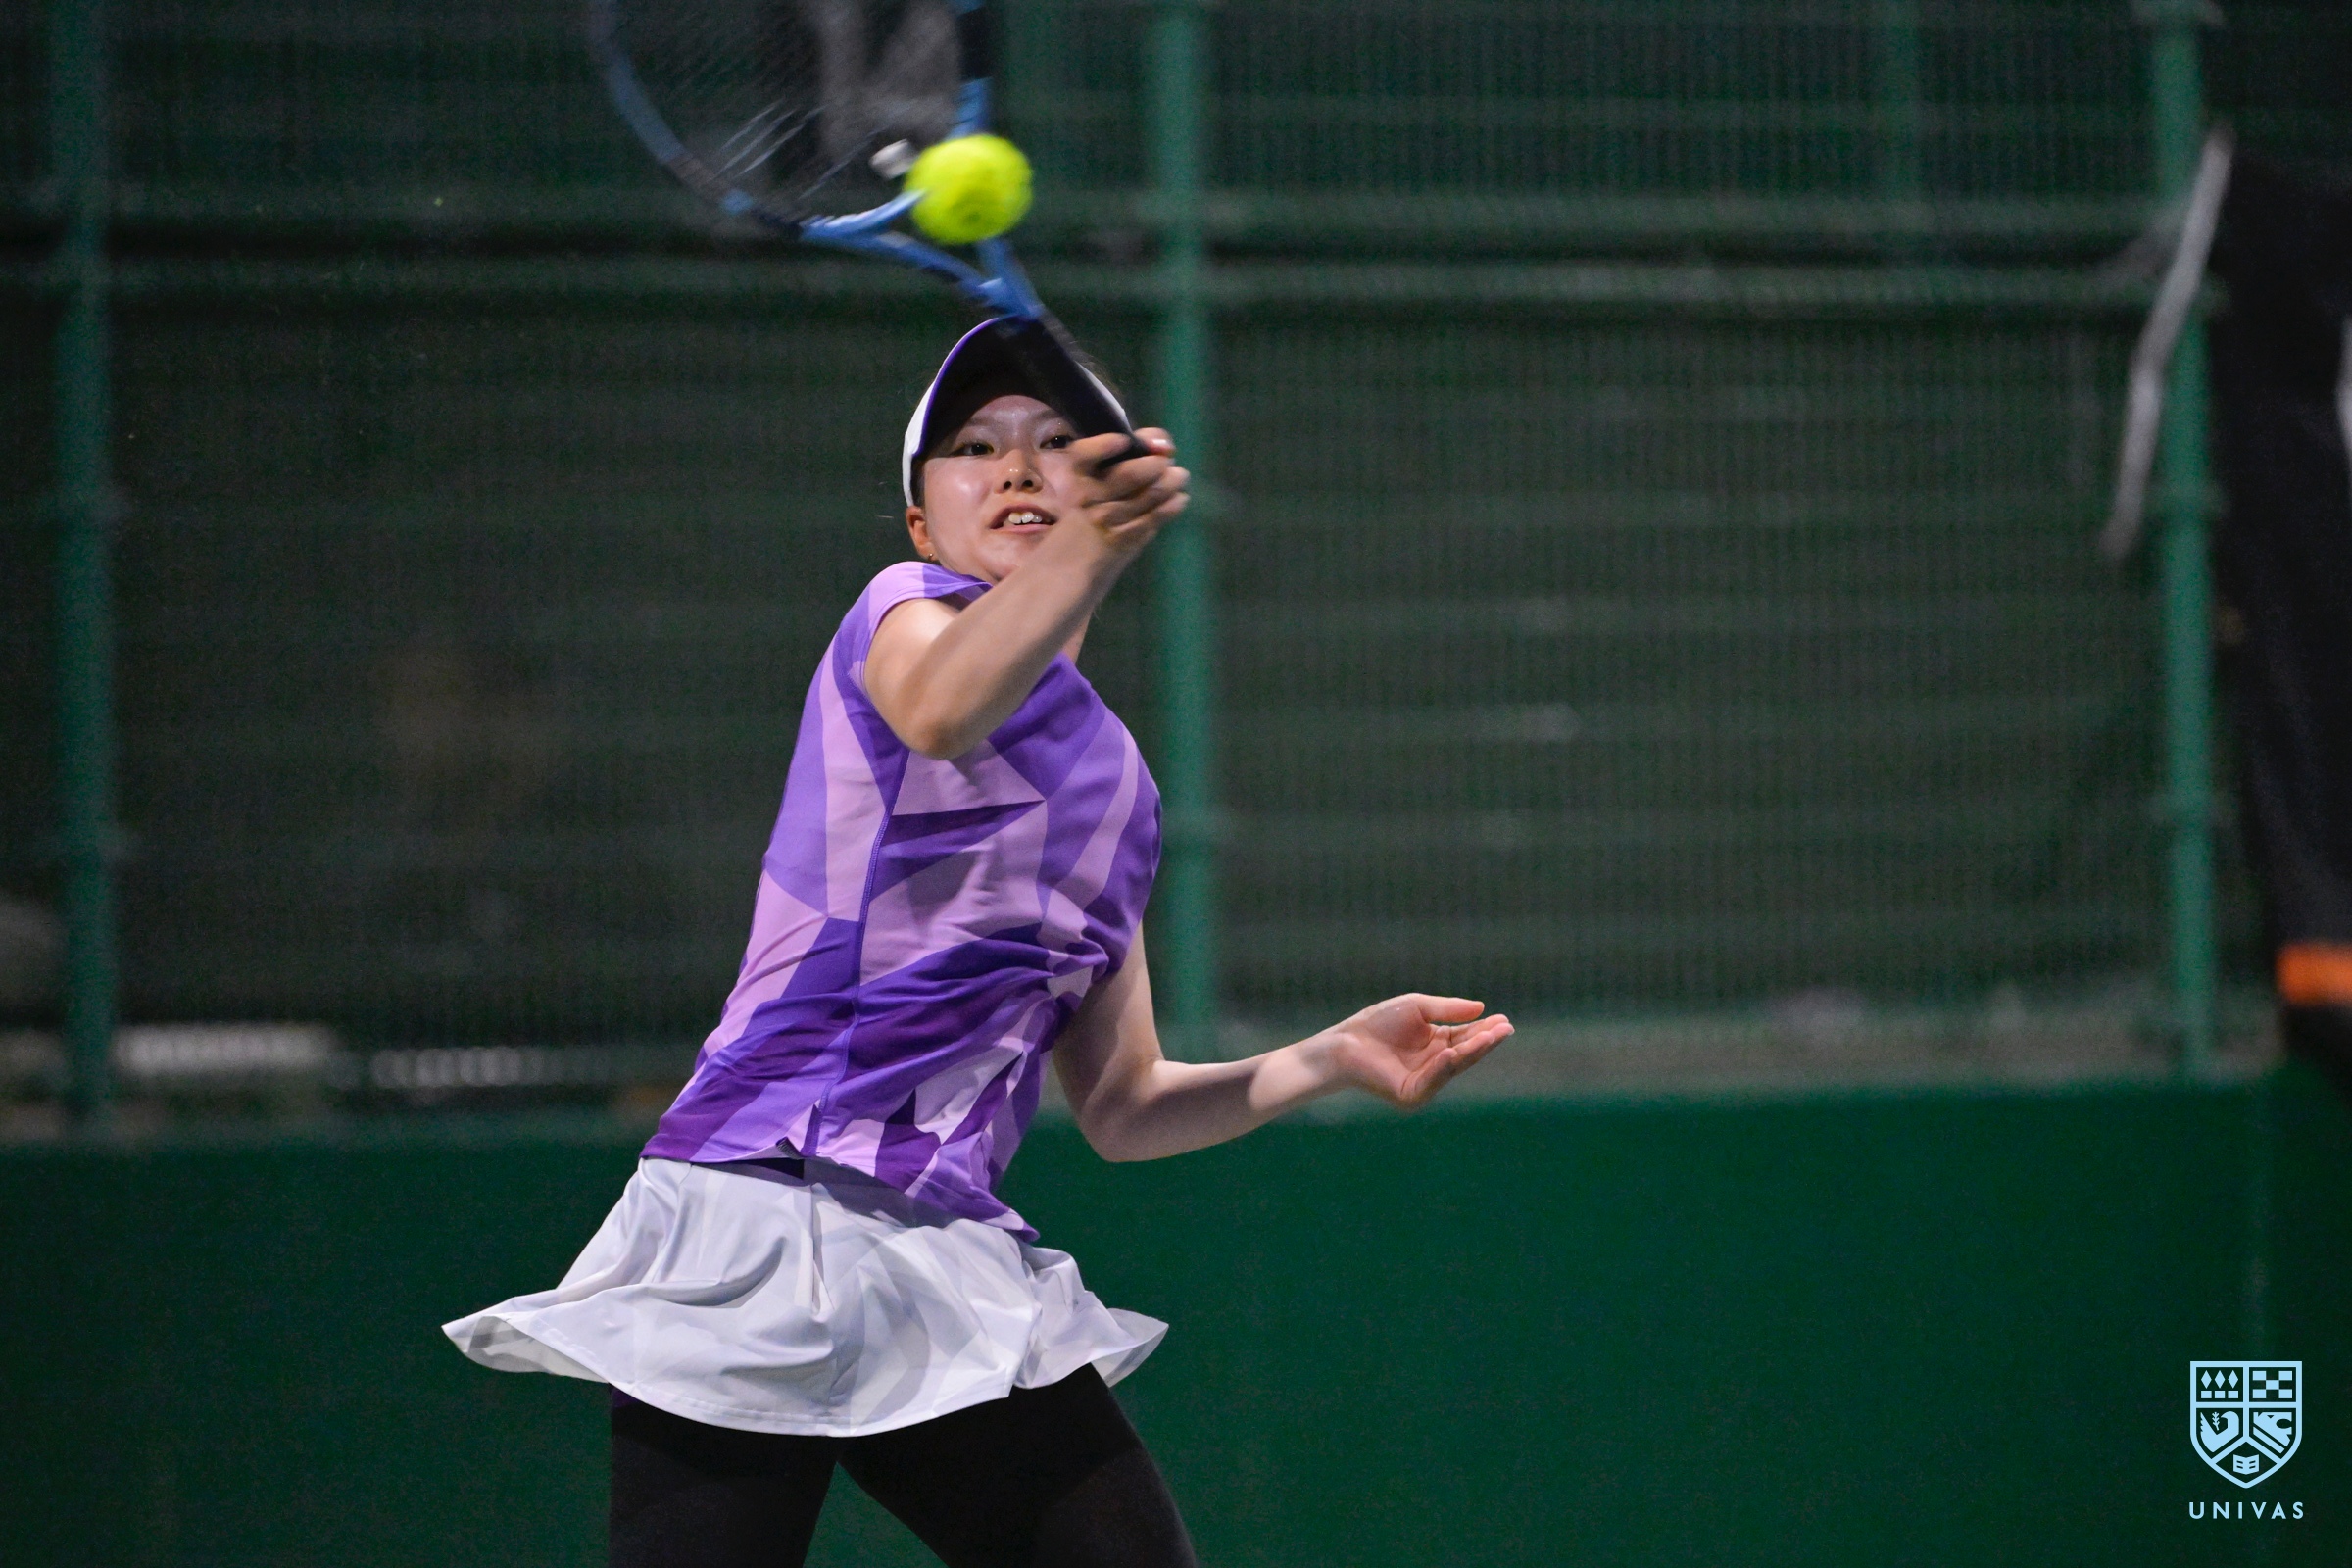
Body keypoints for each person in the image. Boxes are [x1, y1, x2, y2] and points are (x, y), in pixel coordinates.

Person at [444, 320, 1513, 1568]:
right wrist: (1086, 546)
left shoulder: (1120, 794)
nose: (1015, 465)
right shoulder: (899, 613)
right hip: (752, 1211)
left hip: (935, 1260)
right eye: (972, 446)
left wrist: (1323, 1059)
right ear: (921, 523)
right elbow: (943, 710)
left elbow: (1125, 1104)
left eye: (1055, 440)